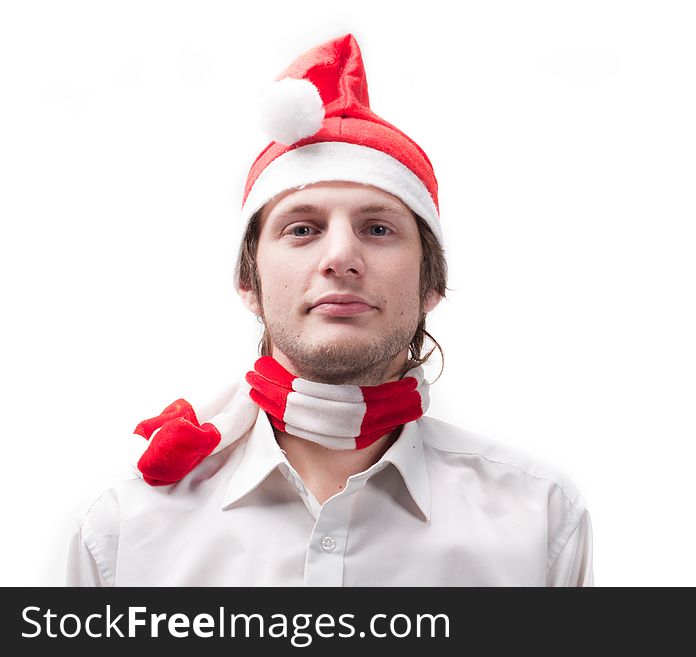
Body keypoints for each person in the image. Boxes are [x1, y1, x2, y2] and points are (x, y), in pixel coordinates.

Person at [66, 33, 594, 586]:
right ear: (249, 281)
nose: (341, 257)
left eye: (378, 228)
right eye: (302, 229)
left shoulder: (541, 523)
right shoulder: (123, 532)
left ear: (431, 283)